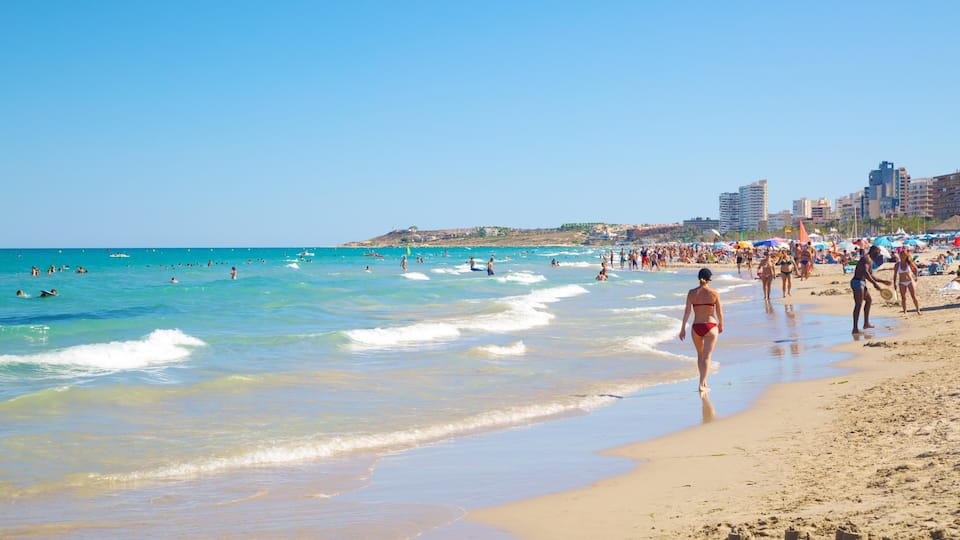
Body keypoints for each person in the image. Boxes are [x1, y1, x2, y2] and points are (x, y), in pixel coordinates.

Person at [679, 268, 723, 395]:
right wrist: (721, 324)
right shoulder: (714, 293)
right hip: (710, 326)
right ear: (709, 279)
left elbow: (687, 312)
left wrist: (682, 329)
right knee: (707, 356)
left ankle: (703, 382)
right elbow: (719, 312)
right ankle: (702, 383)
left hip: (696, 327)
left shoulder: (691, 293)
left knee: (700, 355)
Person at [850, 245, 893, 333]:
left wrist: (883, 281)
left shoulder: (870, 260)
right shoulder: (866, 259)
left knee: (869, 300)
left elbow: (870, 275)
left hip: (861, 282)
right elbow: (866, 273)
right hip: (857, 282)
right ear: (874, 252)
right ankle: (855, 328)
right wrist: (874, 284)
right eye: (878, 253)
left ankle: (866, 323)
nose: (879, 255)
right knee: (858, 305)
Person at [892, 249, 921, 315]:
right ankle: (905, 311)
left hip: (910, 281)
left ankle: (918, 310)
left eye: (904, 255)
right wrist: (894, 283)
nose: (902, 256)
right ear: (899, 255)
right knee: (903, 297)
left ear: (906, 256)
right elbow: (895, 275)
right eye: (901, 255)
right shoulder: (897, 265)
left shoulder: (909, 263)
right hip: (901, 282)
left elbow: (916, 269)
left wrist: (916, 277)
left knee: (914, 296)